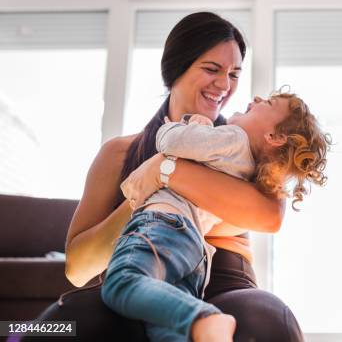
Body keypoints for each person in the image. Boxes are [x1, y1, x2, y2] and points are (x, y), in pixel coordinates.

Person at [26, 12, 306, 342]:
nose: (225, 84)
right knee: (58, 327)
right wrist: (143, 201)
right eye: (212, 69)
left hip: (222, 286)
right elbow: (78, 269)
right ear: (176, 69)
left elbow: (270, 216)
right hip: (141, 277)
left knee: (265, 319)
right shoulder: (119, 153)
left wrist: (164, 171)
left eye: (234, 73)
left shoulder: (245, 149)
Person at [101, 91, 330, 341]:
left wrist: (180, 126)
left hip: (162, 226)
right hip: (195, 253)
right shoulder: (246, 168)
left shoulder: (232, 138)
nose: (256, 98)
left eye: (268, 103)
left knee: (122, 281)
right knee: (165, 330)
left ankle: (204, 317)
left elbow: (171, 142)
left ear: (274, 137)